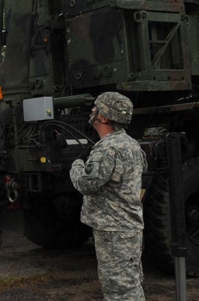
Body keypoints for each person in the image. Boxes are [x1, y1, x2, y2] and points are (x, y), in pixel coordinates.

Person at [70, 92, 147, 301]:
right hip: (127, 228)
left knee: (119, 291)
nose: (92, 111)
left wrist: (77, 165)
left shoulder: (108, 148)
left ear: (104, 117)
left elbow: (86, 184)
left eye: (96, 108)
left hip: (113, 230)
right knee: (129, 284)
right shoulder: (132, 144)